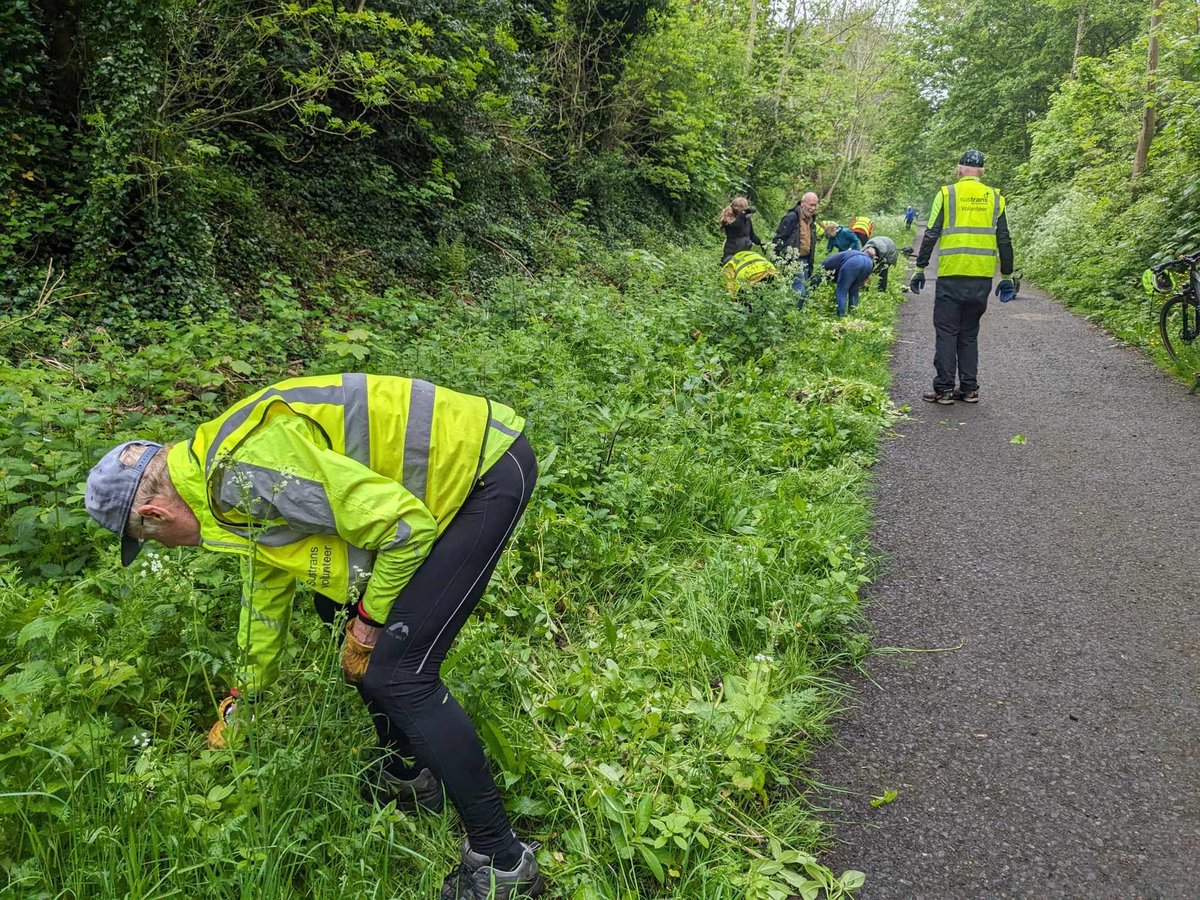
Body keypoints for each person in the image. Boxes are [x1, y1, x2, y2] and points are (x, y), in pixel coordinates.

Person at [84, 374, 545, 900]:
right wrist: (246, 694)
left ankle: (503, 860)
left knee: (399, 674)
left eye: (154, 540)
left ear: (154, 514)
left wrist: (370, 625)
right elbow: (267, 589)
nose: (167, 547)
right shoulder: (216, 484)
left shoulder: (242, 474)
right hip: (442, 482)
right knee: (335, 608)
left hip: (483, 469)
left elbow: (402, 528)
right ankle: (407, 778)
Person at [909, 149, 1015, 404]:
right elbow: (1004, 237)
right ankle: (969, 388)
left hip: (951, 275)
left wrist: (920, 268)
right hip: (980, 277)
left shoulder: (947, 194)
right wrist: (1007, 274)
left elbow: (931, 233)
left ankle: (944, 389)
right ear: (982, 172)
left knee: (947, 331)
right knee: (969, 333)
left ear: (959, 169)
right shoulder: (995, 197)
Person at [772, 191, 820, 305]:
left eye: (815, 205)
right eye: (811, 204)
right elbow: (778, 239)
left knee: (805, 293)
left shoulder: (812, 220)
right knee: (799, 292)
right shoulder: (791, 218)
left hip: (806, 260)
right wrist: (780, 259)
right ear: (802, 203)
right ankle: (791, 318)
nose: (813, 208)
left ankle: (795, 317)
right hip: (793, 260)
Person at [821, 245, 878, 316]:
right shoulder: (868, 258)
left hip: (853, 262)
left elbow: (825, 266)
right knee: (854, 290)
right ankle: (853, 314)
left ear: (864, 250)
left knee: (842, 290)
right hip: (869, 264)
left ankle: (841, 315)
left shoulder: (829, 261)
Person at [719, 196, 765, 264]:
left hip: (745, 252)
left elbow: (751, 235)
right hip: (732, 253)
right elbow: (736, 226)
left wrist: (761, 243)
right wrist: (743, 214)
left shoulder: (746, 220)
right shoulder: (728, 220)